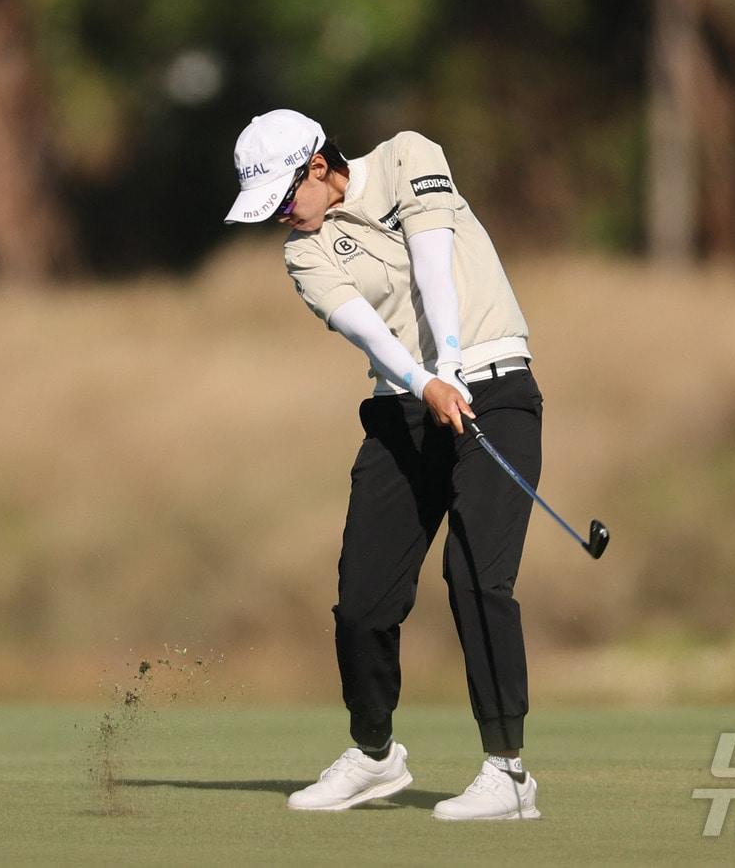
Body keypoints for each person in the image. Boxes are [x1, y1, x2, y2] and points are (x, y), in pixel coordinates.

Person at [224, 109, 543, 821]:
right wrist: (428, 381)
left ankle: (509, 772)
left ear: (316, 166)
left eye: (283, 199)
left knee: (474, 576)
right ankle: (374, 754)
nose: (281, 218)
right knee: (361, 600)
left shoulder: (408, 155)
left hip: (496, 390)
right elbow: (366, 329)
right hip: (404, 408)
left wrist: (452, 361)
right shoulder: (304, 252)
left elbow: (434, 264)